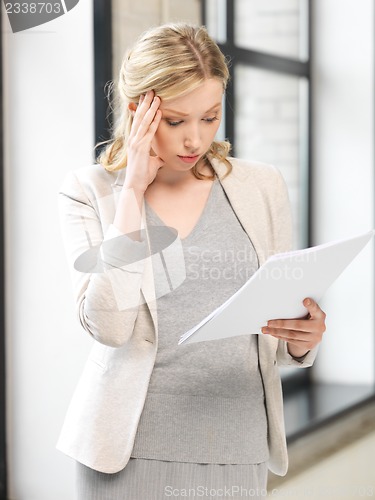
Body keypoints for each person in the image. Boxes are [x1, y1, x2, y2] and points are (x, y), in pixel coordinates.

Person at [57, 23, 326, 500]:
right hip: (129, 447)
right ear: (138, 110)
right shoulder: (89, 192)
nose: (194, 140)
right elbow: (110, 329)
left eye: (210, 117)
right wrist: (133, 194)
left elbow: (280, 333)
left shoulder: (261, 186)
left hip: (238, 442)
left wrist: (304, 338)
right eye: (175, 121)